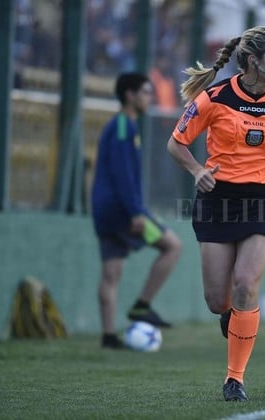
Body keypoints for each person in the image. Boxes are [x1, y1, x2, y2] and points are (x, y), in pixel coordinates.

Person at [167, 26, 265, 401]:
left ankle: (235, 379)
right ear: (253, 61)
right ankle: (230, 316)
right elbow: (176, 143)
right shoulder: (214, 98)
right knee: (218, 300)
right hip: (217, 198)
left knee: (246, 284)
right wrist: (197, 171)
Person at [91, 72, 182, 350]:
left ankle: (108, 336)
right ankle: (142, 305)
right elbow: (123, 174)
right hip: (123, 211)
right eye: (145, 92)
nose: (149, 97)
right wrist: (135, 213)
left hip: (105, 212)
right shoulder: (123, 126)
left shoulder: (120, 125)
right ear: (130, 95)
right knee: (172, 246)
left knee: (111, 272)